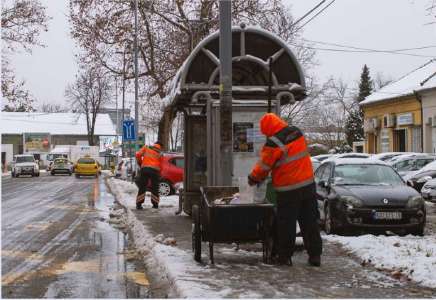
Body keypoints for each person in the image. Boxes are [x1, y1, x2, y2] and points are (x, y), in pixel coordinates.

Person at [248, 113, 322, 266]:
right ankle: (315, 256)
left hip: (288, 190)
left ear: (268, 128)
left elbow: (264, 166)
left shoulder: (273, 142)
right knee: (309, 222)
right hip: (308, 186)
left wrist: (253, 178)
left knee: (286, 224)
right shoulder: (297, 132)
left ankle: (284, 257)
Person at [135, 141, 163, 209]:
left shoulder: (146, 148)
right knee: (155, 188)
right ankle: (155, 204)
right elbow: (161, 165)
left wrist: (140, 163)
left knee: (142, 187)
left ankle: (139, 204)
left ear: (154, 144)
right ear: (160, 147)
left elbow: (138, 155)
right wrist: (160, 173)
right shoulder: (160, 153)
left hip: (145, 169)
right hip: (155, 171)